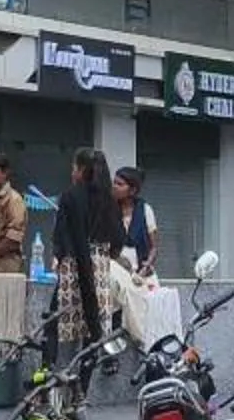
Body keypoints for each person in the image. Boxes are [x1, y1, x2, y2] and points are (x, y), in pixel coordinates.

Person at [50, 147, 121, 346]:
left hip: (74, 264)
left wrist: (58, 255)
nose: (72, 173)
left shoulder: (70, 196)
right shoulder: (109, 199)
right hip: (99, 266)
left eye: (73, 168)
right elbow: (118, 237)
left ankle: (48, 366)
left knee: (56, 316)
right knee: (95, 322)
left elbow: (62, 234)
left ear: (81, 170)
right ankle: (87, 372)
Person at [111, 164, 159, 276]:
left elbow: (154, 247)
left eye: (120, 184)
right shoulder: (108, 210)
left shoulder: (145, 210)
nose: (114, 187)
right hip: (114, 272)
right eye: (114, 182)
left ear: (132, 190)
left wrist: (147, 265)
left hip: (141, 273)